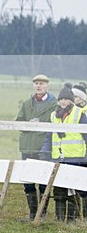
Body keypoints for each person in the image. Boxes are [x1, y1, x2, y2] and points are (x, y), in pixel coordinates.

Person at [40, 83, 87, 222]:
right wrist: (45, 151)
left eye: (66, 99)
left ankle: (73, 219)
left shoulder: (80, 114)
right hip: (58, 157)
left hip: (76, 157)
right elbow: (49, 136)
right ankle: (59, 219)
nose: (63, 102)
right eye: (61, 99)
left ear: (71, 100)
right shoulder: (53, 116)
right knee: (59, 189)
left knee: (74, 189)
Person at [15, 74, 57, 220]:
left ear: (47, 86)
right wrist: (28, 124)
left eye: (41, 83)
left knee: (44, 181)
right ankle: (32, 213)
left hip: (44, 147)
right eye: (36, 83)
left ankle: (42, 213)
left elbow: (56, 123)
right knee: (28, 181)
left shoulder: (54, 104)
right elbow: (18, 123)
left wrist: (41, 125)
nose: (38, 86)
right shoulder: (27, 104)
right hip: (28, 146)